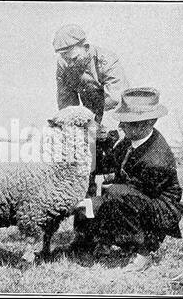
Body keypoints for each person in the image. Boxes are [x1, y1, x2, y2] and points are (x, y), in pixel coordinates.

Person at [73, 87, 183, 272]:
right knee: (90, 198)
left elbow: (132, 194)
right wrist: (98, 144)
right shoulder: (130, 141)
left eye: (128, 123)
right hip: (134, 198)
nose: (121, 127)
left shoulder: (156, 158)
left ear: (149, 122)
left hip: (160, 210)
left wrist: (101, 198)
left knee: (114, 194)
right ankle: (88, 242)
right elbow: (106, 166)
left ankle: (143, 252)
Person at [53, 24, 129, 196]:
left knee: (114, 173)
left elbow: (115, 101)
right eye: (65, 57)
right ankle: (87, 215)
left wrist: (101, 129)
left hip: (115, 120)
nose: (70, 62)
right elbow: (66, 104)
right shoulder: (64, 65)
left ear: (85, 47)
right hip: (90, 122)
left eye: (73, 58)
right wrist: (75, 129)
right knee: (85, 173)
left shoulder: (107, 60)